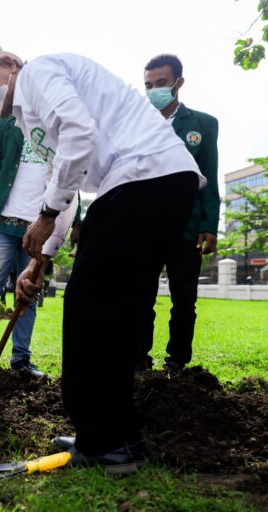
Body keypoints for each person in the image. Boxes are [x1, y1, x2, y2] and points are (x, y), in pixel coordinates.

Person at [0, 45, 204, 473]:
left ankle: (106, 440)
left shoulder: (39, 74)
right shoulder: (29, 116)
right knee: (117, 312)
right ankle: (111, 436)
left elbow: (79, 135)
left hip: (143, 177)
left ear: (10, 64)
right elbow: (63, 179)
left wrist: (47, 214)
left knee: (92, 307)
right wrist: (40, 261)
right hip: (152, 182)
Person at [0, 70, 76, 379]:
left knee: (28, 291)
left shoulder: (57, 124)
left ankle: (21, 358)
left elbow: (73, 174)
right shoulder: (7, 123)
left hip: (40, 227)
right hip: (4, 223)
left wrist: (77, 221)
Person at [134, 54, 220, 376]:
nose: (154, 90)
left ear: (178, 83)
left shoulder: (203, 125)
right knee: (140, 299)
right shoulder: (136, 125)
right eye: (148, 85)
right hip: (145, 228)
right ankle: (138, 359)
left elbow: (209, 177)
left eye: (161, 83)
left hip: (187, 229)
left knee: (184, 301)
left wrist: (209, 225)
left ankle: (177, 362)